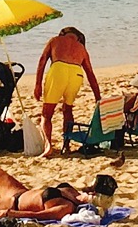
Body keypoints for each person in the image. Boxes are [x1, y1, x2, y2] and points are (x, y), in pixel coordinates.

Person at [34, 26, 100, 158]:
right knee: (68, 110)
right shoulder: (82, 49)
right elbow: (90, 74)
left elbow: (42, 61)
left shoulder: (54, 40)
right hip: (76, 74)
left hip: (58, 71)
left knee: (47, 114)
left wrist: (38, 85)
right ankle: (67, 145)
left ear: (63, 33)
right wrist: (98, 96)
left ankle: (48, 146)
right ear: (78, 37)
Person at [0, 165, 90, 221]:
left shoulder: (67, 207)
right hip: (21, 192)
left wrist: (9, 213)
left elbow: (40, 215)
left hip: (13, 204)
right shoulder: (73, 192)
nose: (89, 194)